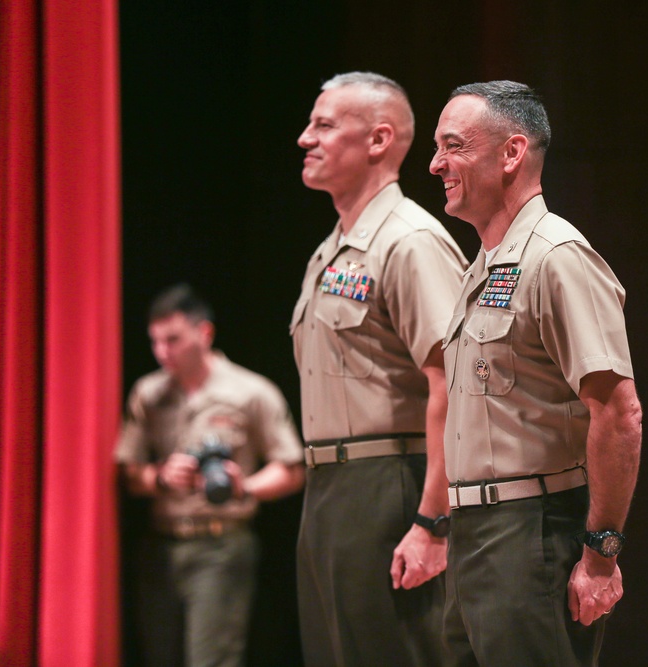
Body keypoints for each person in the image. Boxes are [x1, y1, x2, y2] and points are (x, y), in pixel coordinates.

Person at [429, 81, 643, 666]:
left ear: (512, 152)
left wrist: (601, 555)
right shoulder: (485, 267)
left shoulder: (556, 256)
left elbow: (619, 411)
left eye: (453, 146)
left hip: (530, 532)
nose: (435, 164)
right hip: (475, 533)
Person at [290, 71, 468, 666]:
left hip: (391, 485)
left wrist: (431, 522)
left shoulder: (411, 241)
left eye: (323, 125)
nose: (304, 139)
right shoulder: (330, 250)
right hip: (329, 489)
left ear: (378, 140)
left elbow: (455, 385)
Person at [115, 284, 305, 667]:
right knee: (158, 656)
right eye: (155, 341)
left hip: (221, 546)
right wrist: (161, 478)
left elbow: (292, 469)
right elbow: (126, 472)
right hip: (161, 546)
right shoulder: (148, 393)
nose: (162, 351)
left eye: (173, 339)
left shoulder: (250, 391)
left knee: (211, 660)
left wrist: (244, 486)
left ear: (204, 333)